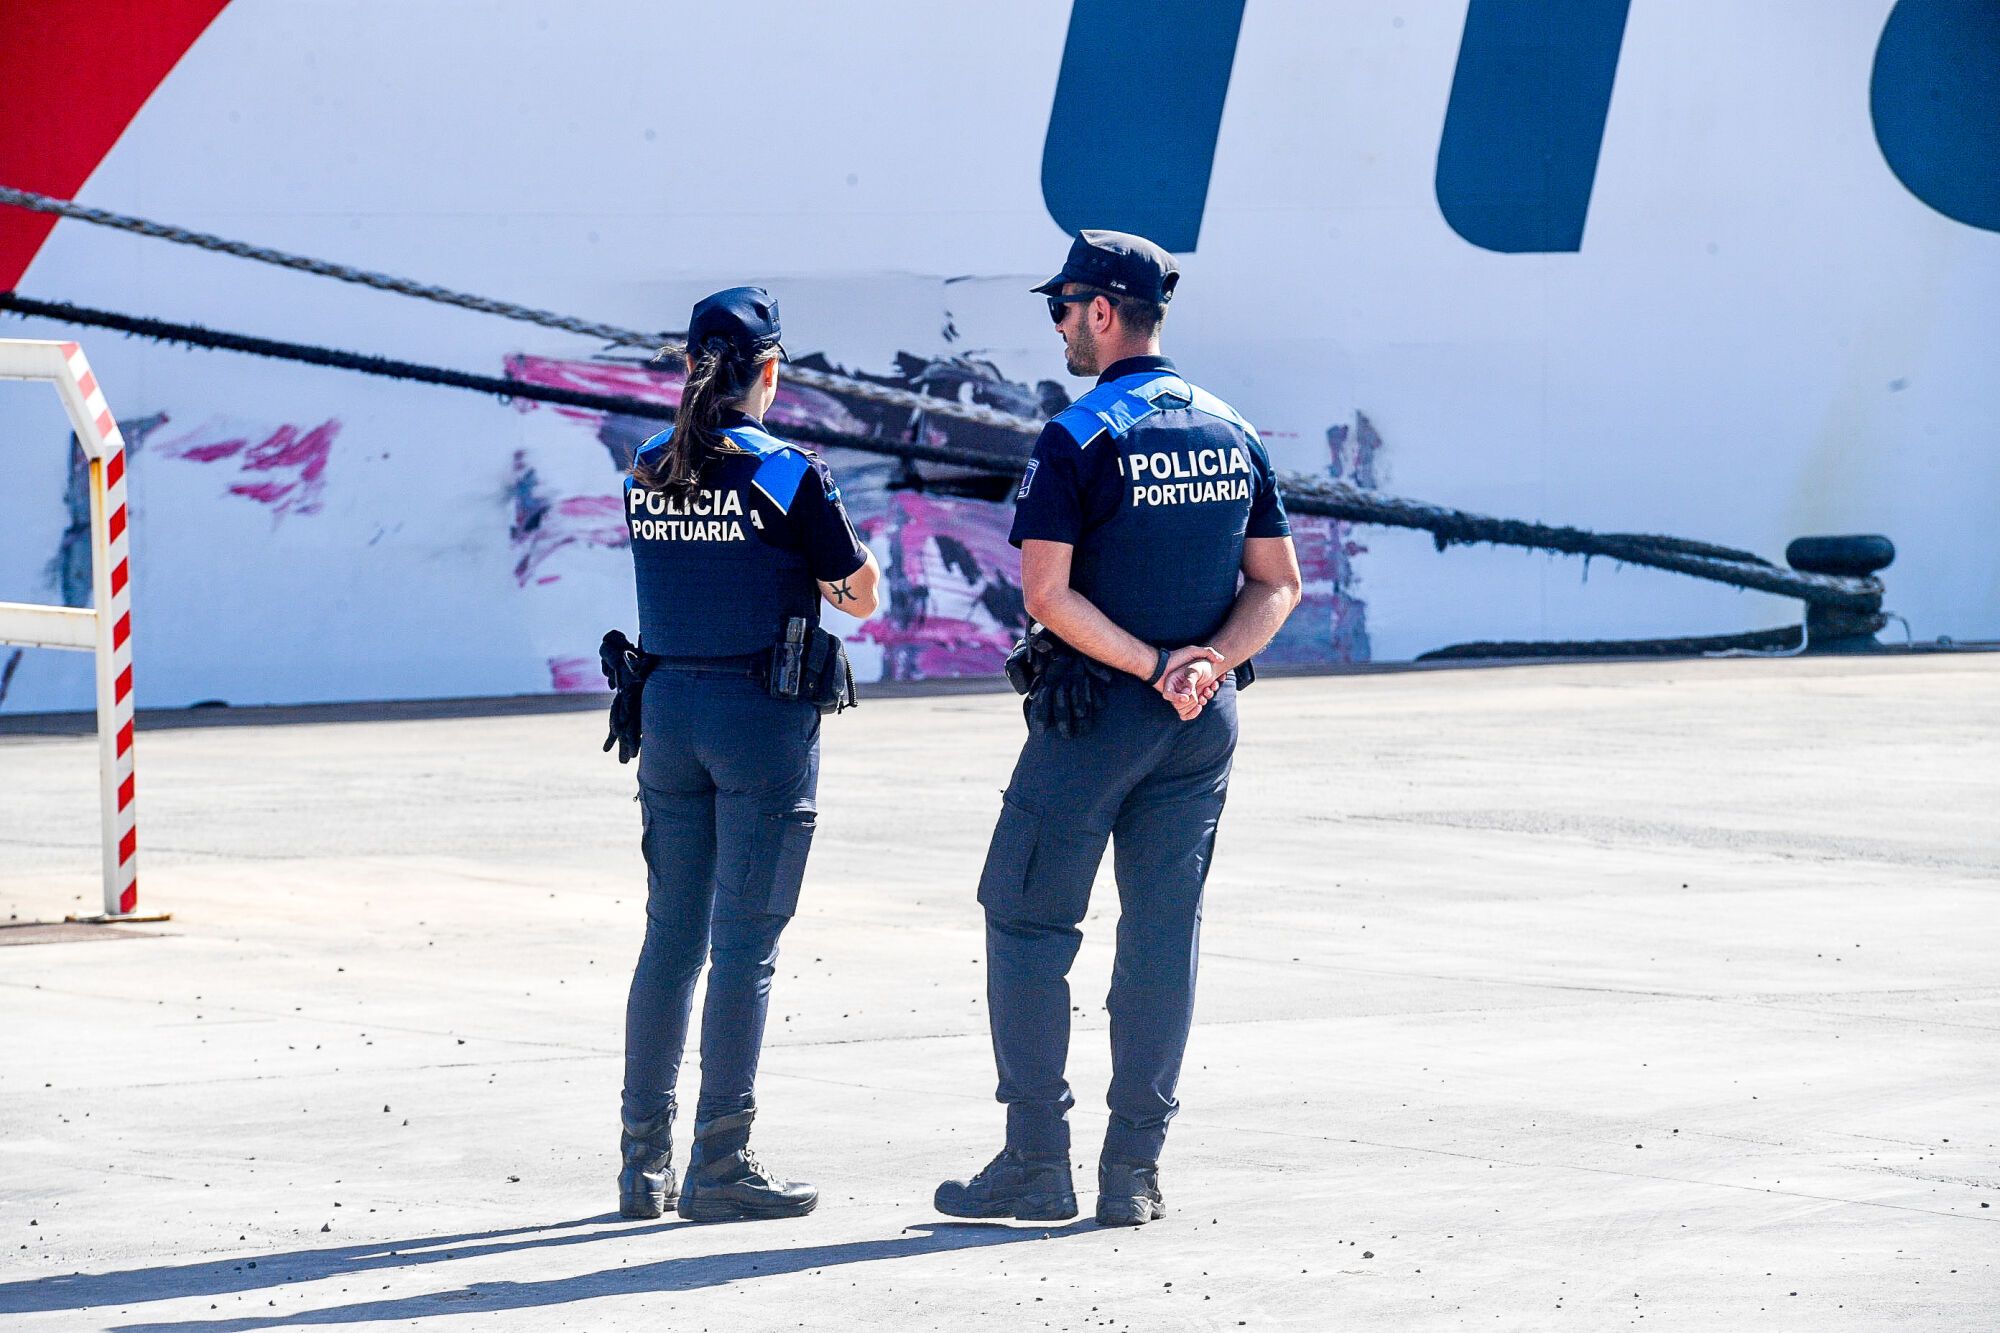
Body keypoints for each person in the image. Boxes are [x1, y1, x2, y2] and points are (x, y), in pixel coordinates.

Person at [934, 231, 1302, 1226]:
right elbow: (1279, 584)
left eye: (1061, 309)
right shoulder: (1233, 428)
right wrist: (1206, 664)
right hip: (1201, 723)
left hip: (1095, 719)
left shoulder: (1078, 436)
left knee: (1025, 917)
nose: (1057, 326)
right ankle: (1133, 1171)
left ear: (1101, 312)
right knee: (1161, 933)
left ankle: (1035, 1160)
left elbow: (1046, 595)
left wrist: (1149, 665)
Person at [613, 286, 880, 1223]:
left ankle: (642, 1163)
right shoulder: (789, 473)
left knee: (669, 939)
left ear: (692, 364)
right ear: (770, 371)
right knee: (744, 945)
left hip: (665, 713)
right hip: (758, 722)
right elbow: (860, 593)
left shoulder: (648, 463)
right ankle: (721, 1161)